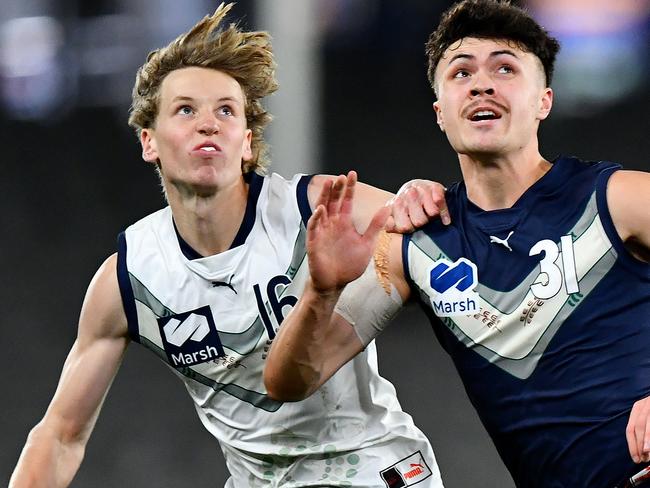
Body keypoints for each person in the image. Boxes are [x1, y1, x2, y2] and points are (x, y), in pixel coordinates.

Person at [8, 4, 450, 487]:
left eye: (226, 110)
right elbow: (60, 436)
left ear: (246, 141)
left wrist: (419, 195)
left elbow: (445, 232)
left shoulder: (320, 205)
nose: (208, 123)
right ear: (148, 141)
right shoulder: (129, 279)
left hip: (374, 469)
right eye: (185, 109)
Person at [263, 1, 650, 487]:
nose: (482, 83)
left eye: (505, 68)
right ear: (440, 112)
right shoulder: (416, 247)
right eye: (461, 72)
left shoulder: (618, 199)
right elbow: (288, 381)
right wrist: (322, 292)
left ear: (544, 101)